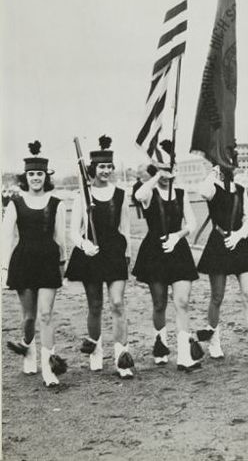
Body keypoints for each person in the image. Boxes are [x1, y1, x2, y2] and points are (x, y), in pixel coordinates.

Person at [65, 135, 135, 378]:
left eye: (109, 167)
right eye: (101, 167)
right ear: (92, 169)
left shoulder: (121, 194)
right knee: (95, 305)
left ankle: (122, 358)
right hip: (91, 254)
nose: (105, 171)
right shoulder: (82, 195)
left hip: (115, 252)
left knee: (117, 303)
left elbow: (125, 228)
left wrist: (128, 255)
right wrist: (84, 244)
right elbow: (73, 230)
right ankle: (95, 348)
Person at [132, 140, 202, 371]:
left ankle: (184, 355)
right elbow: (140, 195)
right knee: (159, 303)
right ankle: (160, 344)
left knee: (182, 302)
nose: (166, 174)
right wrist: (155, 175)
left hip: (178, 250)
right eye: (162, 169)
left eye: (170, 168)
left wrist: (178, 236)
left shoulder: (181, 193)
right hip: (154, 251)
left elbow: (192, 223)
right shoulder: (149, 191)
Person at [3, 141, 67, 387]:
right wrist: (4, 269)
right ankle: (28, 348)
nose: (36, 178)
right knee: (29, 317)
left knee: (46, 315)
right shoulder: (15, 203)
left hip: (49, 262)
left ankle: (49, 369)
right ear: (25, 177)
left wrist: (63, 263)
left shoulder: (56, 203)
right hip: (24, 262)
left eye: (40, 174)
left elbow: (61, 239)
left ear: (46, 176)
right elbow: (6, 238)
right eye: (31, 174)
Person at [197, 155, 248, 364]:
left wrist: (239, 235)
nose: (230, 168)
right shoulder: (212, 186)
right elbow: (202, 191)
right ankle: (214, 341)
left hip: (239, 244)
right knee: (217, 296)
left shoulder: (240, 189)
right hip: (218, 243)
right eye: (225, 164)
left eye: (231, 164)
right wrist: (212, 171)